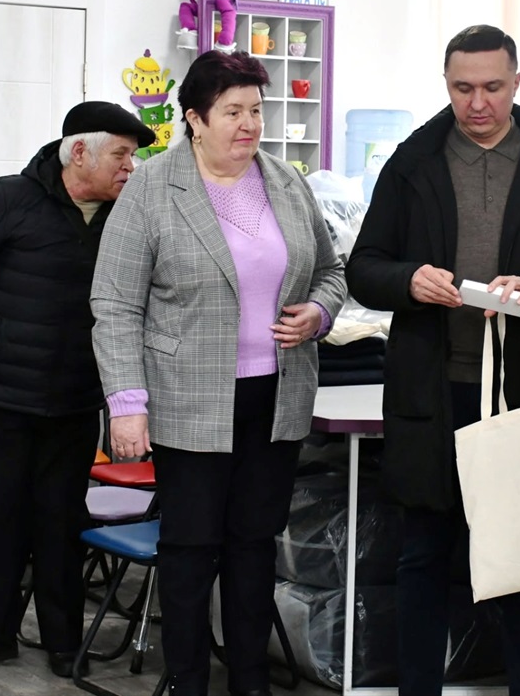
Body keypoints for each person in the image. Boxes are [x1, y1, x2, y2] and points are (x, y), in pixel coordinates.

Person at [345, 24, 520, 696]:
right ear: (446, 84)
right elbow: (364, 267)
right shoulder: (412, 163)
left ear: (517, 83)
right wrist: (409, 280)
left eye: (493, 87)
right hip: (430, 391)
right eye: (462, 88)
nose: (478, 103)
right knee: (424, 556)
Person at [91, 50, 347, 696]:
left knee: (254, 544)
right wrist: (127, 404)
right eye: (232, 111)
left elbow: (331, 270)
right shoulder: (153, 187)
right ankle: (187, 681)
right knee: (190, 547)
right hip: (188, 397)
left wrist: (319, 311)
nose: (249, 124)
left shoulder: (285, 182)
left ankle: (250, 681)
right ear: (195, 119)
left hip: (276, 394)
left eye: (256, 110)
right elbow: (115, 302)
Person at [0, 103, 155, 676]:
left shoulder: (127, 217)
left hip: (75, 401)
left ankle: (63, 641)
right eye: (121, 155)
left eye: (133, 156)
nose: (130, 167)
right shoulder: (7, 199)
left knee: (62, 524)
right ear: (79, 152)